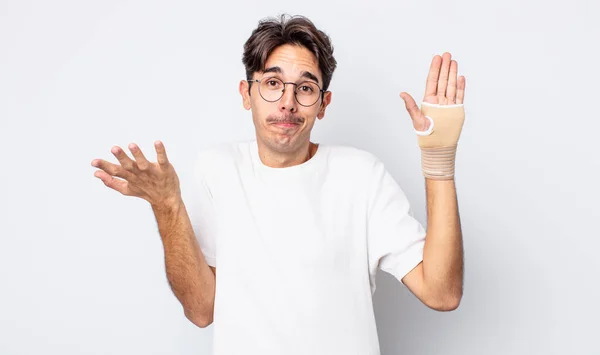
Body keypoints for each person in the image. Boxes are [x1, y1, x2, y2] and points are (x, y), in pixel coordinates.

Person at [91, 14, 466, 355]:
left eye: (304, 88)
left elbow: (442, 292)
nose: (287, 102)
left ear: (323, 103)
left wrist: (439, 157)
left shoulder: (361, 175)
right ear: (246, 93)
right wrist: (166, 204)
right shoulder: (217, 169)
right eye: (272, 83)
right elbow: (201, 310)